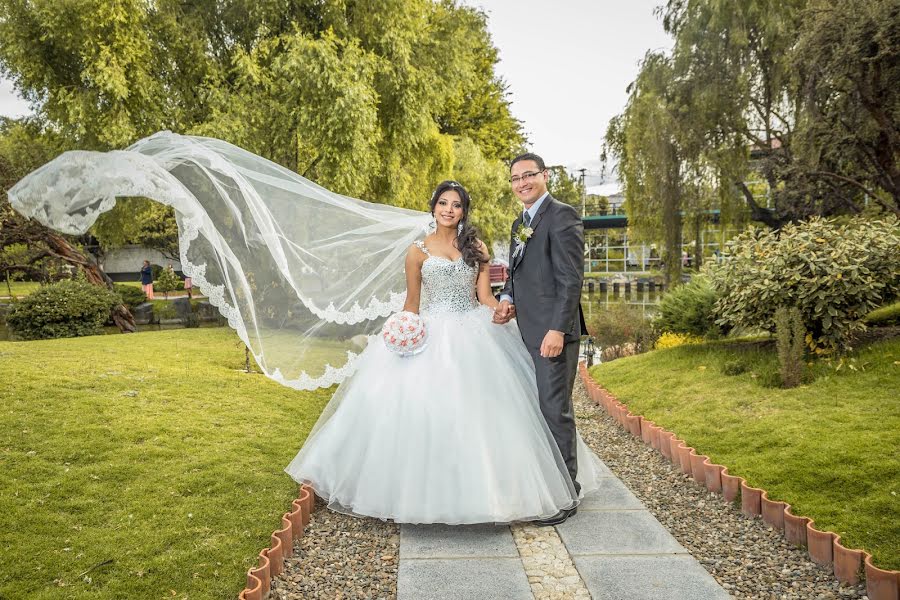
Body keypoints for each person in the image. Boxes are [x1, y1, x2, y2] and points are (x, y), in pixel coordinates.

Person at [284, 180, 603, 524]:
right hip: (432, 330)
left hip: (473, 330)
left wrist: (501, 309)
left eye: (457, 205)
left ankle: (501, 492)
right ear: (433, 207)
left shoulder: (475, 247)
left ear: (464, 211)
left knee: (489, 411)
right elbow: (412, 302)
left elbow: (484, 296)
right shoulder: (416, 250)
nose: (449, 210)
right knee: (421, 409)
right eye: (443, 203)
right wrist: (402, 330)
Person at [493, 153, 587, 526]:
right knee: (540, 409)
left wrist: (557, 330)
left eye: (528, 175)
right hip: (527, 330)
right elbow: (517, 274)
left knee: (555, 410)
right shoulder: (521, 223)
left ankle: (566, 494)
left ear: (544, 176)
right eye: (515, 178)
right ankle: (551, 483)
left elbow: (570, 279)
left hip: (553, 334)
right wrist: (507, 299)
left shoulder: (562, 216)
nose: (521, 183)